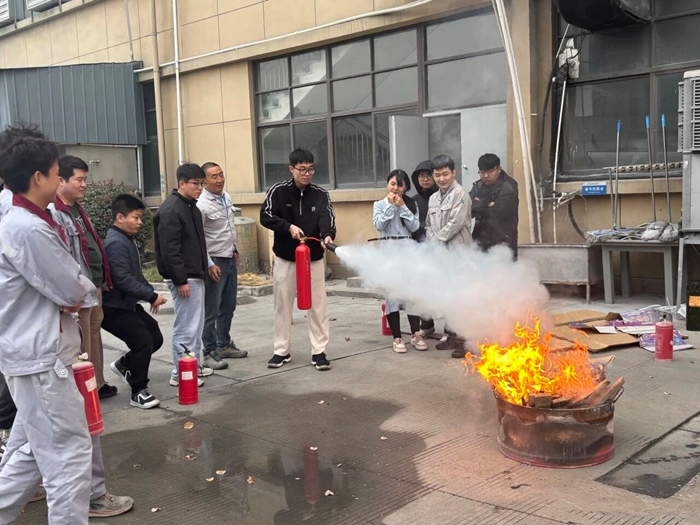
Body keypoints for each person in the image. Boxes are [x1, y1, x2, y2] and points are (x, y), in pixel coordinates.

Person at [0, 130, 99, 522]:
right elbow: (74, 289)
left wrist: (72, 292)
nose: (61, 181)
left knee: (30, 452)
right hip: (40, 356)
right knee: (68, 457)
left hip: (32, 352)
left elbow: (69, 288)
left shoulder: (28, 217)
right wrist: (75, 293)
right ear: (38, 177)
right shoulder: (28, 227)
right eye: (58, 173)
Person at [260, 148, 336, 371]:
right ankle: (281, 350)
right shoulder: (278, 191)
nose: (307, 174)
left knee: (317, 305)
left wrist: (327, 235)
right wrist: (288, 227)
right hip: (286, 258)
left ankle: (319, 351)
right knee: (282, 304)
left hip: (313, 259)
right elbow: (266, 216)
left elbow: (327, 219)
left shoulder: (320, 194)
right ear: (291, 169)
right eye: (302, 169)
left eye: (310, 169)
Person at [49, 155, 117, 400]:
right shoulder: (56, 212)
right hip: (78, 288)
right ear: (61, 180)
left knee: (94, 336)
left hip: (93, 284)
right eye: (79, 179)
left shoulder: (77, 208)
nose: (84, 184)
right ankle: (84, 392)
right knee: (82, 342)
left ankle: (98, 383)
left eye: (85, 179)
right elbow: (63, 256)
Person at [102, 194, 167, 409]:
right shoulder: (115, 243)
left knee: (154, 337)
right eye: (136, 217)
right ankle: (138, 391)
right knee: (142, 341)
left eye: (140, 218)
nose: (139, 222)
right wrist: (151, 296)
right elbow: (122, 279)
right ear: (120, 217)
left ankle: (124, 365)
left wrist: (150, 294)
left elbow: (135, 276)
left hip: (126, 304)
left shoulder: (125, 239)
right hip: (113, 307)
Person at [154, 163, 214, 386]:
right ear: (182, 183)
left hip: (195, 274)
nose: (200, 188)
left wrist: (207, 265)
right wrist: (180, 280)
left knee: (196, 325)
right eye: (195, 183)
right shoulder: (172, 209)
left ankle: (193, 366)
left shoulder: (191, 207)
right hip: (184, 278)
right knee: (186, 326)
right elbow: (170, 250)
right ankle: (180, 373)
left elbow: (196, 243)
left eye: (202, 183)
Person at [197, 162, 248, 372]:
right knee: (211, 308)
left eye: (221, 175)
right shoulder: (201, 205)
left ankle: (224, 344)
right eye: (214, 177)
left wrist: (234, 249)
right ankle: (209, 352)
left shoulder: (225, 197)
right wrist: (209, 263)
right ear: (204, 181)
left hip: (229, 257)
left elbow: (228, 227)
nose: (219, 180)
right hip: (214, 262)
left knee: (228, 305)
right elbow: (199, 239)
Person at [373, 169, 427, 353]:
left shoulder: (411, 203)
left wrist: (403, 207)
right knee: (392, 296)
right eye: (393, 184)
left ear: (406, 188)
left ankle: (415, 334)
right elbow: (379, 225)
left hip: (408, 251)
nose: (395, 188)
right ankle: (397, 337)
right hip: (388, 253)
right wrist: (390, 206)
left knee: (412, 295)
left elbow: (415, 226)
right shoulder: (379, 204)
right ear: (387, 184)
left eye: (400, 185)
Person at [425, 154, 473, 359]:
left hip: (459, 255)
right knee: (448, 297)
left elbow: (456, 223)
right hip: (441, 256)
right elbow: (428, 224)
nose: (441, 179)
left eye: (445, 174)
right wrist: (431, 240)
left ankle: (465, 341)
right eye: (437, 175)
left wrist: (436, 240)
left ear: (453, 172)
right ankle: (452, 336)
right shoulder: (433, 198)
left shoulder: (461, 195)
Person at [469, 153, 519, 259]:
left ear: (499, 169)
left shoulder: (509, 186)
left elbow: (499, 211)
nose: (486, 176)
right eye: (482, 172)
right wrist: (487, 203)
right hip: (480, 240)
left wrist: (480, 204)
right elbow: (468, 207)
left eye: (490, 171)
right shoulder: (478, 185)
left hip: (503, 241)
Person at [411, 160, 439, 338]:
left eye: (428, 175)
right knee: (422, 290)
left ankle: (451, 330)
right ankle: (427, 324)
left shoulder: (441, 197)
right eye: (421, 176)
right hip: (419, 251)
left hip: (439, 250)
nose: (425, 179)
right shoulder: (413, 201)